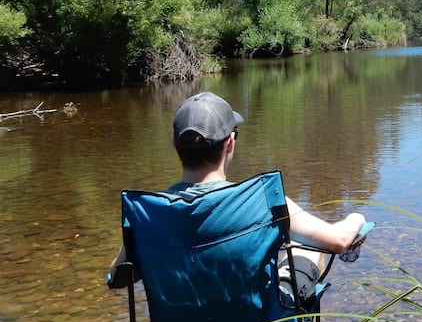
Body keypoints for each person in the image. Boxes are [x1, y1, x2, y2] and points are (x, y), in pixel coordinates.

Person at [108, 91, 367, 304]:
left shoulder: (147, 214)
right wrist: (357, 217)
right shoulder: (263, 200)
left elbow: (118, 279)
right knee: (305, 252)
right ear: (230, 143)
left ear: (175, 146)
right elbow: (340, 241)